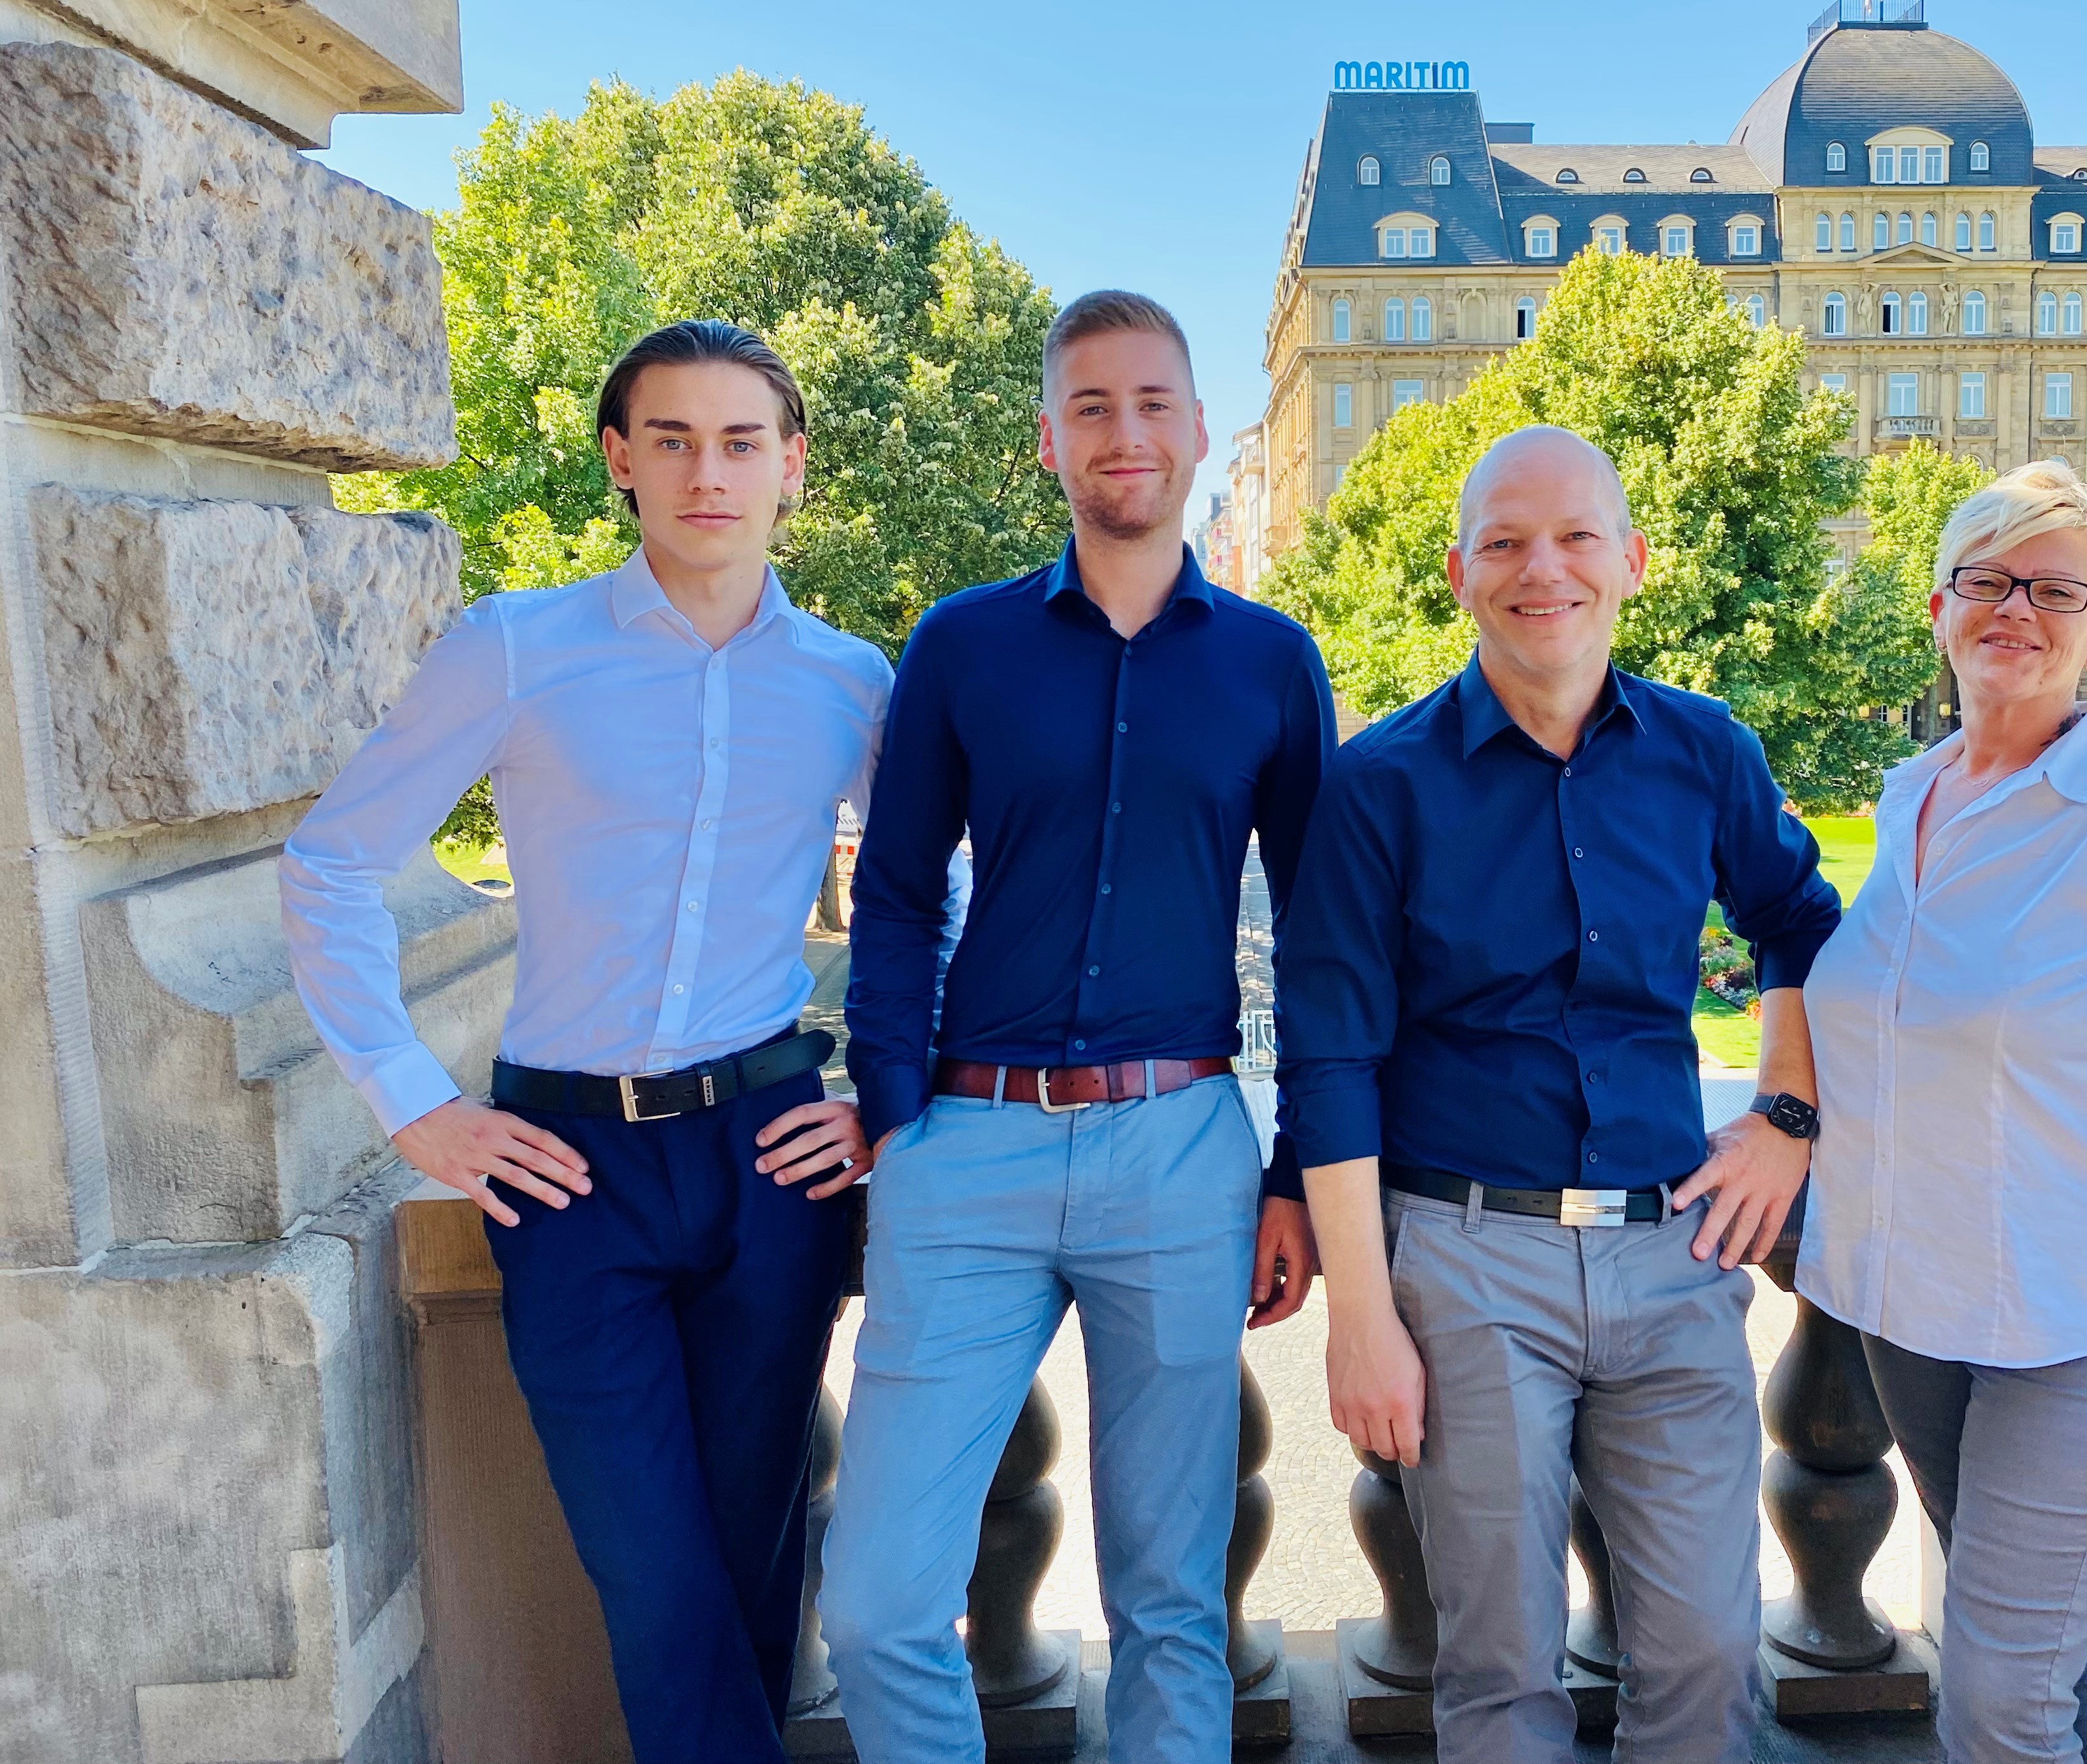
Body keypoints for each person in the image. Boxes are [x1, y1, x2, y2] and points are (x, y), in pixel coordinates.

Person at [280, 321, 932, 1764]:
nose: (713, 471)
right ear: (619, 462)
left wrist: (894, 1099)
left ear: (793, 469)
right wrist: (411, 1105)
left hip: (772, 1151)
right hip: (565, 1168)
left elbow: (931, 903)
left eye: (744, 442)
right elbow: (328, 862)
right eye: (678, 440)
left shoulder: (853, 682)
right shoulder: (517, 648)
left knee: (761, 1549)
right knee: (651, 1567)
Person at [1275, 424, 1842, 1761]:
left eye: (1579, 536)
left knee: (1708, 1656)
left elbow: (1805, 927)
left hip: (1675, 1254)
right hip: (1466, 1263)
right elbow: (1331, 1056)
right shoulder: (1379, 787)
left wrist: (1788, 1116)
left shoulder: (1708, 753)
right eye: (1508, 542)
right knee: (1498, 1672)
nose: (1547, 569)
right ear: (1462, 571)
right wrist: (1362, 1317)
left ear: (1633, 561)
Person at [822, 289, 1334, 1763]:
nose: (1126, 434)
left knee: (1172, 1604)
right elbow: (901, 887)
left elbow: (1320, 934)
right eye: (1092, 407)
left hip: (1182, 1155)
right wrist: (896, 1103)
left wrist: (1293, 1167)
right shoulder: (963, 647)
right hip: (964, 1152)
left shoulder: (1271, 662)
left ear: (1194, 431)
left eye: (1153, 403)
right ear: (1050, 441)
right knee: (876, 1604)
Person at [1800, 459, 2087, 1764]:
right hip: (1916, 1310)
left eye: (2057, 588)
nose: (2018, 609)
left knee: (1999, 1692)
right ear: (1941, 609)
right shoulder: (1913, 799)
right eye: (1988, 581)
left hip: (2077, 1329)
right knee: (2044, 1654)